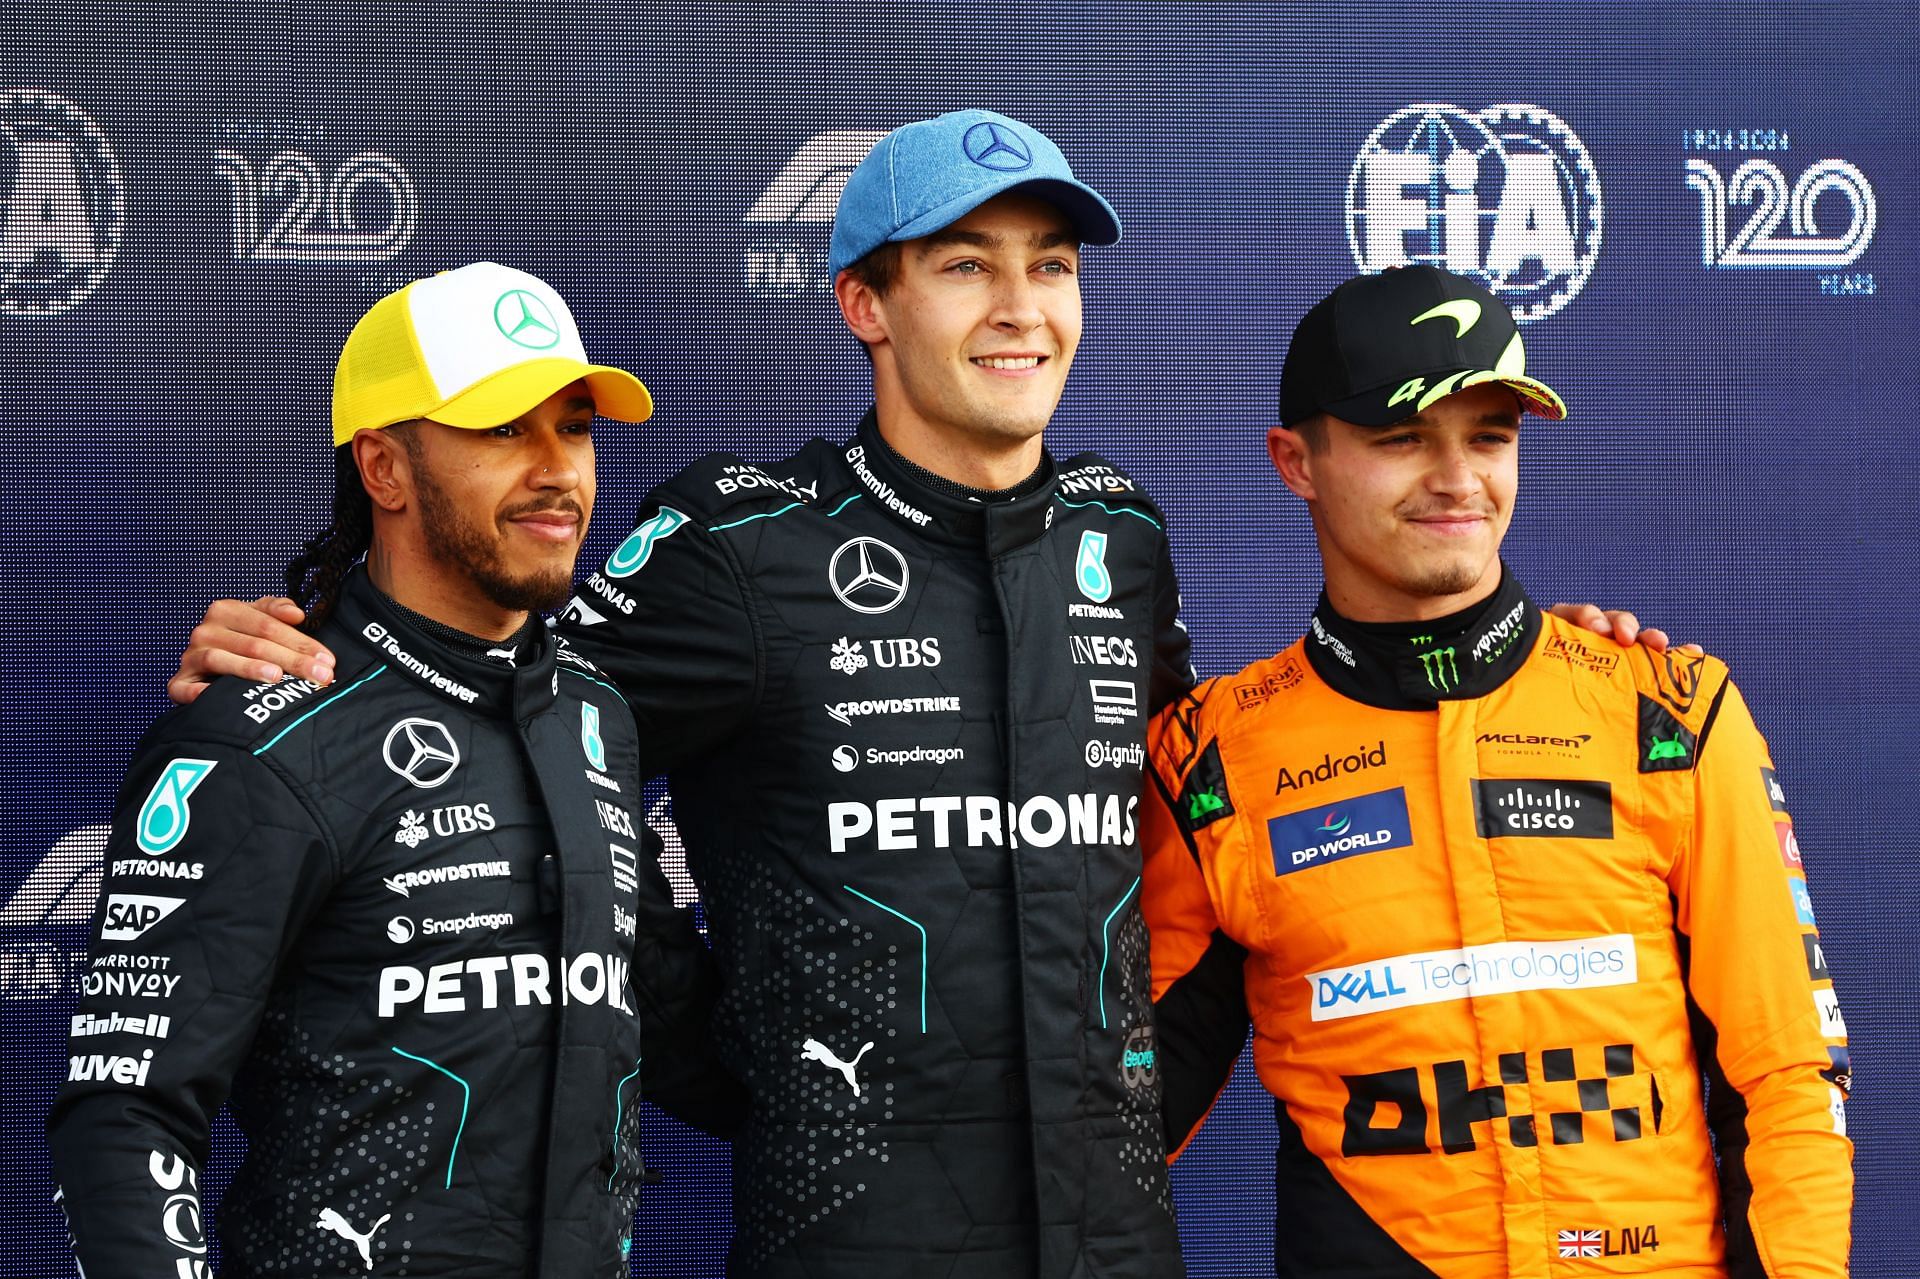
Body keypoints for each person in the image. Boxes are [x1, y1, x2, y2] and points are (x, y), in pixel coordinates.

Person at [163, 116, 1658, 1277]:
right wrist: (308, 652)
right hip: (851, 1230)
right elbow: (494, 720)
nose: (1024, 310)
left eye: (1052, 265)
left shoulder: (1118, 533)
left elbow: (1206, 828)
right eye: (965, 265)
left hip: (1114, 1240)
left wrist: (1535, 646)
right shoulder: (741, 543)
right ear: (864, 304)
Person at [1142, 265, 1854, 1277]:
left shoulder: (1670, 712)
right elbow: (1116, 1120)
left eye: (1490, 436)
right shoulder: (1211, 758)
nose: (1458, 478)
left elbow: (1789, 1071)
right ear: (1295, 461)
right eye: (1402, 439)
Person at [48, 261, 723, 1277]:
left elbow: (674, 1024)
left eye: (574, 427)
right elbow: (126, 1115)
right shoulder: (258, 736)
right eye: (504, 428)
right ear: (385, 469)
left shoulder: (594, 710)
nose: (558, 470)